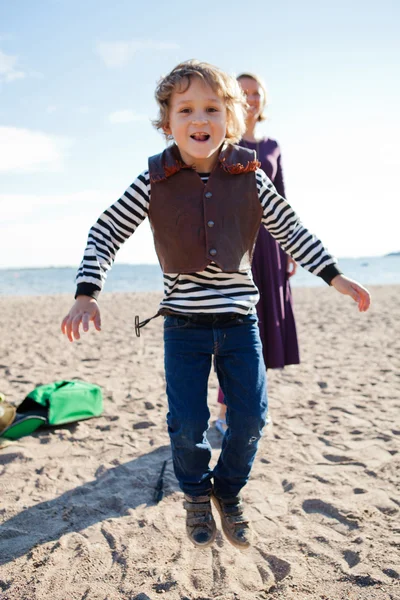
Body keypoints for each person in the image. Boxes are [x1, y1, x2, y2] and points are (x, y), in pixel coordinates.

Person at [61, 60, 371, 550]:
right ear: (167, 122)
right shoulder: (154, 180)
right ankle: (195, 496)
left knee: (249, 420)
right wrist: (86, 293)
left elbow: (292, 230)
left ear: (233, 117)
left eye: (212, 108)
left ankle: (227, 492)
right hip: (183, 327)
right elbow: (105, 231)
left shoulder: (251, 176)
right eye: (186, 109)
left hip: (239, 324)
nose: (199, 119)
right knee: (187, 425)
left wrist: (334, 275)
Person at [215, 72, 299, 435]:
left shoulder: (273, 145)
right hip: (238, 244)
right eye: (242, 92)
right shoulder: (224, 141)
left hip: (271, 244)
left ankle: (251, 407)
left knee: (263, 329)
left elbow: (282, 200)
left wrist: (291, 246)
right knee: (237, 325)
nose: (249, 98)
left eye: (255, 92)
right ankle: (222, 414)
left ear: (264, 98)